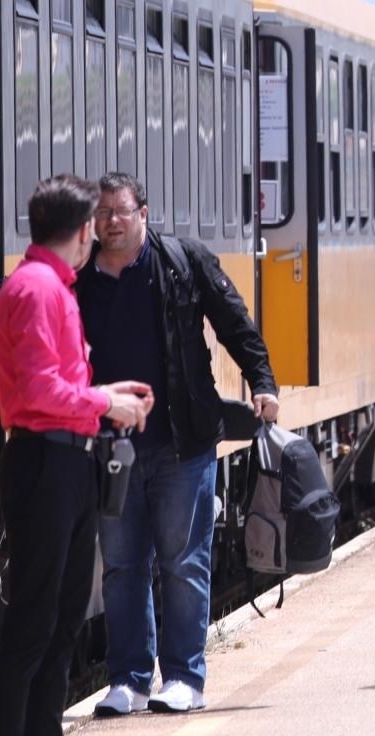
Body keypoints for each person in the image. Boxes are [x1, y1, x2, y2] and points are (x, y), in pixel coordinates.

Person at [81, 173, 278, 717]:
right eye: (102, 214)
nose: (111, 222)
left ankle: (186, 678)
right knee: (120, 566)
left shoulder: (180, 261)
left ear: (144, 212)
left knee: (181, 562)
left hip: (180, 441)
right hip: (111, 444)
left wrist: (262, 382)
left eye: (121, 211)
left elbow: (235, 322)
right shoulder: (81, 278)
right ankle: (129, 680)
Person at [0, 175, 153, 735]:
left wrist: (109, 399)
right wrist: (104, 400)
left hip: (68, 460)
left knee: (62, 623)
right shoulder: (37, 289)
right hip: (45, 462)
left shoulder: (52, 286)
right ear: (83, 232)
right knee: (35, 622)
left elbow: (57, 385)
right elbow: (37, 390)